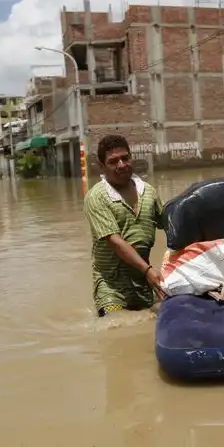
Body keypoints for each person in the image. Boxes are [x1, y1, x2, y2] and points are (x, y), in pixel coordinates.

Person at [83, 134, 167, 317]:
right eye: (113, 161)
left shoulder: (148, 192)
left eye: (125, 158)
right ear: (102, 166)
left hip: (144, 284)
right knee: (115, 323)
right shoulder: (97, 197)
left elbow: (170, 226)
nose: (121, 165)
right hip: (112, 288)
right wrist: (147, 270)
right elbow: (115, 241)